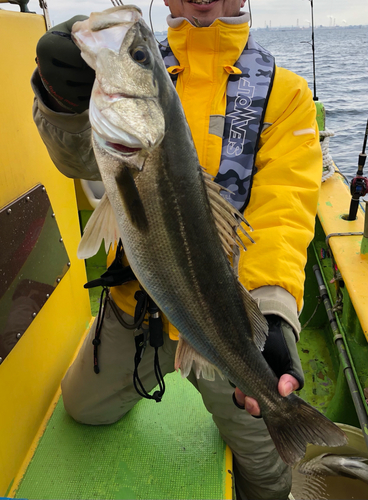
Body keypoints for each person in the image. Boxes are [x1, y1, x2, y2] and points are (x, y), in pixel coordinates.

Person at [31, 1, 322, 498]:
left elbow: (283, 212)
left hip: (222, 314)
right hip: (134, 308)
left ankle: (272, 432)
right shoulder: (130, 83)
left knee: (271, 473)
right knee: (82, 406)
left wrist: (271, 314)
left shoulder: (286, 94)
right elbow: (80, 158)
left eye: (138, 58)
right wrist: (61, 101)